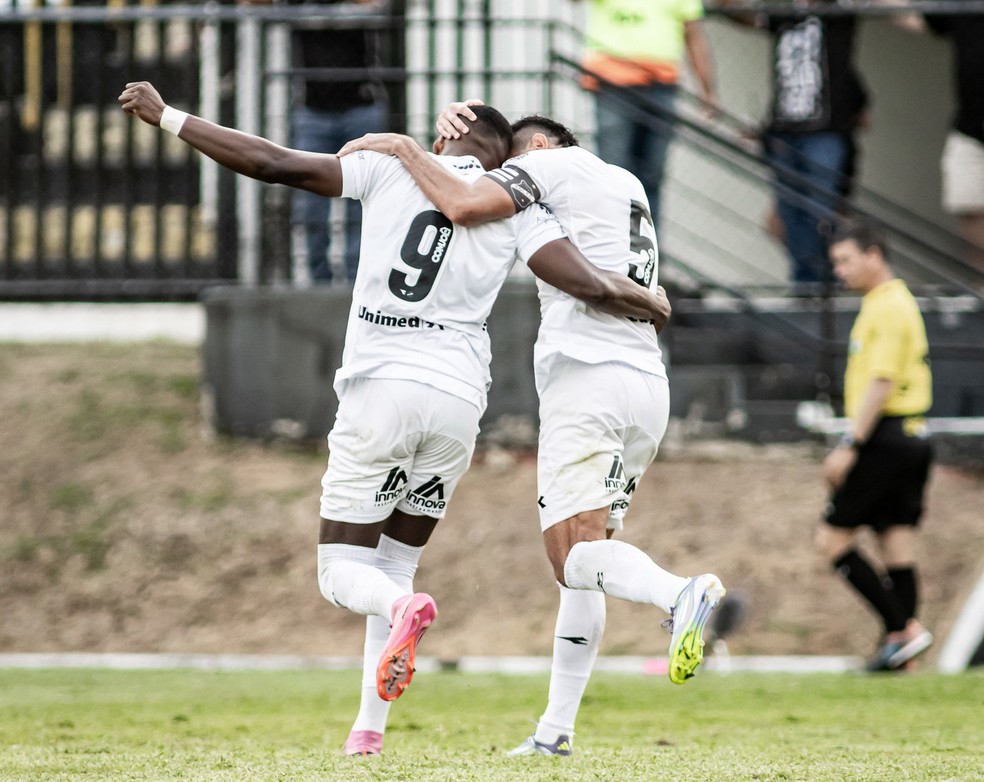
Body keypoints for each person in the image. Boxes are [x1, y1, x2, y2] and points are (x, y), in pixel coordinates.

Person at [118, 81, 673, 757]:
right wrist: (644, 297)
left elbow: (272, 162)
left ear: (445, 137)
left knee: (345, 574)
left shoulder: (386, 166)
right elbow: (579, 275)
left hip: (382, 389)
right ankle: (367, 731)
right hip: (458, 406)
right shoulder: (520, 207)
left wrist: (169, 117)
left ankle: (397, 623)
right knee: (396, 563)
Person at [340, 108, 725, 755]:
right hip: (645, 387)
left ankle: (680, 592)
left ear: (540, 147)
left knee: (571, 558)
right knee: (588, 560)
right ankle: (555, 732)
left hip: (589, 382)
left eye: (512, 163)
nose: (506, 177)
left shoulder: (544, 168)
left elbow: (470, 205)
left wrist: (409, 150)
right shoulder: (623, 181)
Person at [819, 218, 934, 672]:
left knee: (830, 540)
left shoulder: (887, 307)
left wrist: (849, 443)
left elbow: (882, 381)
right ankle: (901, 655)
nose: (839, 271)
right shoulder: (895, 302)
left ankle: (904, 629)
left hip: (885, 437)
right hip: (912, 435)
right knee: (896, 544)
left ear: (874, 255)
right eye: (834, 263)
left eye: (845, 260)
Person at [241, 0, 388, 285]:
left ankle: (356, 278)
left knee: (364, 197)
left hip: (360, 106)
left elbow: (378, 6)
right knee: (310, 203)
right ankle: (317, 279)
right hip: (313, 111)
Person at [721, 0, 861, 288]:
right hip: (783, 133)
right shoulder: (782, 13)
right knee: (789, 214)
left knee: (818, 212)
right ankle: (808, 285)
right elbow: (738, 13)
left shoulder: (835, 12)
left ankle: (821, 285)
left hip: (824, 131)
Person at [572, 0, 716, 230]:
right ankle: (612, 252)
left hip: (661, 86)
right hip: (612, 83)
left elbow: (694, 35)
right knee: (614, 175)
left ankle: (648, 255)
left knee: (651, 178)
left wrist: (707, 93)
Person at [924, 3, 984, 281]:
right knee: (970, 214)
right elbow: (918, 17)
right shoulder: (963, 5)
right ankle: (979, 296)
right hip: (970, 131)